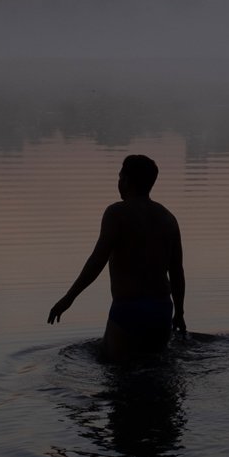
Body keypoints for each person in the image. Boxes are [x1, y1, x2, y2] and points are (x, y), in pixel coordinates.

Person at [48, 154, 187, 362]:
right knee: (157, 376)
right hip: (161, 309)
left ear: (127, 181)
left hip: (129, 309)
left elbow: (97, 260)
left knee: (117, 372)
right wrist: (180, 313)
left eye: (120, 177)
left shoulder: (116, 213)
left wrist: (68, 298)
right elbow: (177, 272)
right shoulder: (168, 218)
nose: (118, 182)